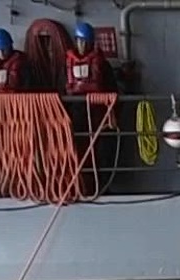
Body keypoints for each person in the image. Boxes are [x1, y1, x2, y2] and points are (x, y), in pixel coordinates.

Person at [62, 23, 119, 195]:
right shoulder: (66, 66)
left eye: (86, 42)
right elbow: (61, 90)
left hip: (98, 116)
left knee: (101, 153)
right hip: (76, 115)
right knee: (76, 152)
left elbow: (112, 91)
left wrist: (111, 114)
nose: (83, 45)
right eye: (80, 41)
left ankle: (101, 187)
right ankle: (78, 187)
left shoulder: (103, 66)